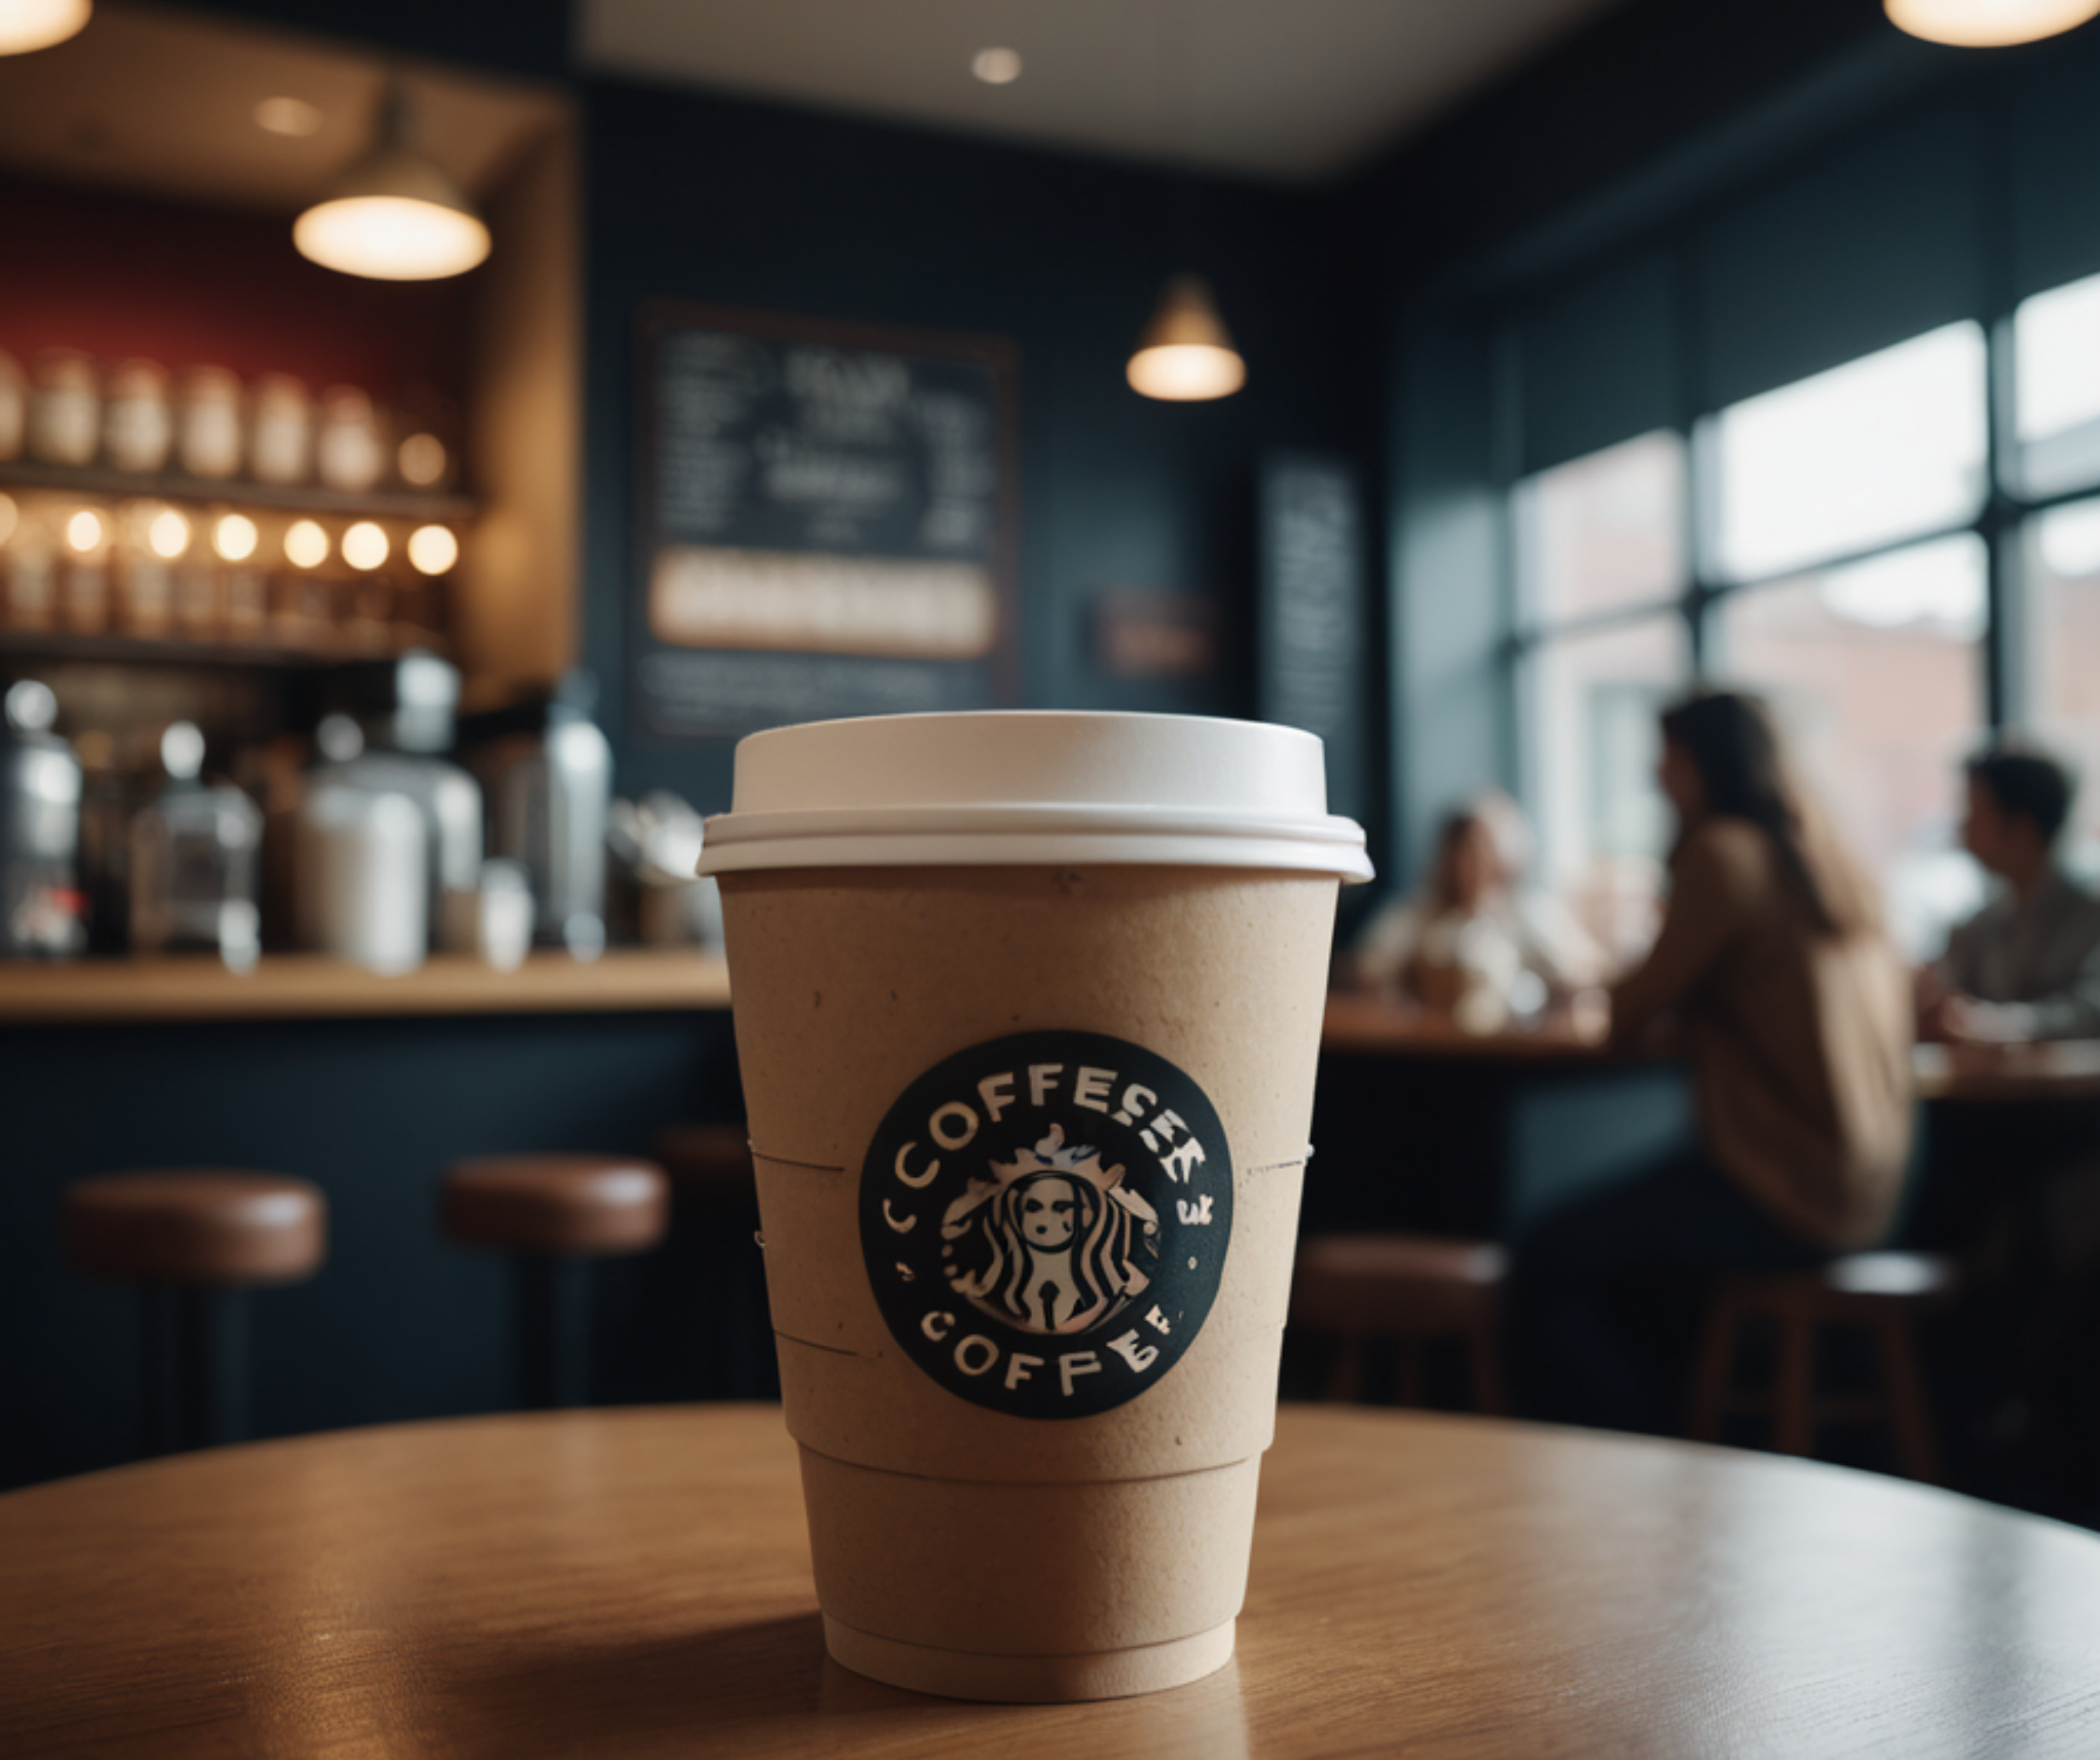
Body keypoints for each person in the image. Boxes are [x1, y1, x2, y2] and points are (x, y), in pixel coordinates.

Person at [1508, 690, 1916, 1434]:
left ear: (1697, 762)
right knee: (1647, 1266)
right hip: (1869, 1189)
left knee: (1544, 1257)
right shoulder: (1827, 858)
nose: (1653, 774)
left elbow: (1627, 1014)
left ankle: (1621, 1454)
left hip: (1780, 1188)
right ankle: (1683, 1436)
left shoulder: (1723, 852)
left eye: (1665, 755)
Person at [1348, 792, 1600, 1030]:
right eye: (1460, 850)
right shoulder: (1416, 913)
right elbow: (1366, 970)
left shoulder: (1526, 913)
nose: (1468, 865)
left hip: (1510, 1055)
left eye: (1481, 850)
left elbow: (1581, 975)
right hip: (1429, 1052)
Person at [1918, 745, 2100, 1043]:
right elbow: (1946, 994)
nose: (1963, 827)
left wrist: (1993, 1024)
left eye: (1976, 811)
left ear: (2022, 824)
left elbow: (2092, 1013)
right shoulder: (1982, 923)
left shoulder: (2092, 915)